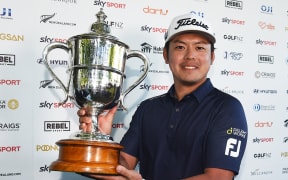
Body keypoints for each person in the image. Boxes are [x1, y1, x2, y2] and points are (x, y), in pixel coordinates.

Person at [78, 12, 248, 180]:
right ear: (166, 55)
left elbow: (218, 178)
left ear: (212, 57)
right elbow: (124, 164)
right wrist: (101, 141)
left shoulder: (227, 108)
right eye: (180, 47)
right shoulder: (148, 108)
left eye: (200, 48)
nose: (190, 55)